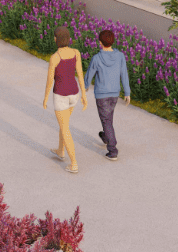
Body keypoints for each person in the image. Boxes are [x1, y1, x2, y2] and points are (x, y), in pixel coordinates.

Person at [43, 26, 87, 173]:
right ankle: (60, 151)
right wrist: (84, 96)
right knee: (64, 124)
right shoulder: (76, 53)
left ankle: (74, 163)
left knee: (65, 128)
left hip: (61, 96)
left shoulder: (55, 58)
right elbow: (80, 74)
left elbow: (50, 81)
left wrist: (45, 98)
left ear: (56, 39)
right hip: (74, 95)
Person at [86, 29, 130, 161]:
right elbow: (124, 74)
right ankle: (106, 136)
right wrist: (127, 92)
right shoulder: (120, 56)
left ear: (100, 43)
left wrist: (85, 87)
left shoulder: (96, 58)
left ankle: (112, 150)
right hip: (114, 94)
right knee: (108, 118)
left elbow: (89, 75)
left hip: (102, 95)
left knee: (106, 120)